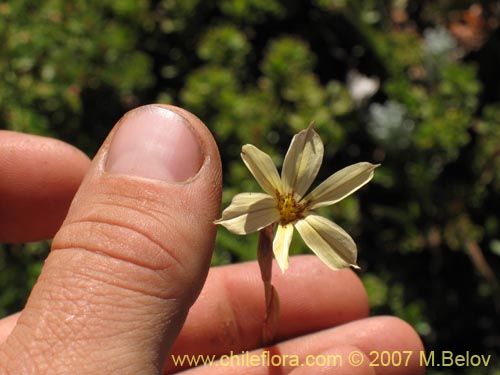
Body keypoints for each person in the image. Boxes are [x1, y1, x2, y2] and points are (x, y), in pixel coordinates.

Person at [0, 104, 424, 374]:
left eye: (295, 205)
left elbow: (285, 238)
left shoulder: (292, 217)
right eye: (289, 203)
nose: (292, 205)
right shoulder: (273, 208)